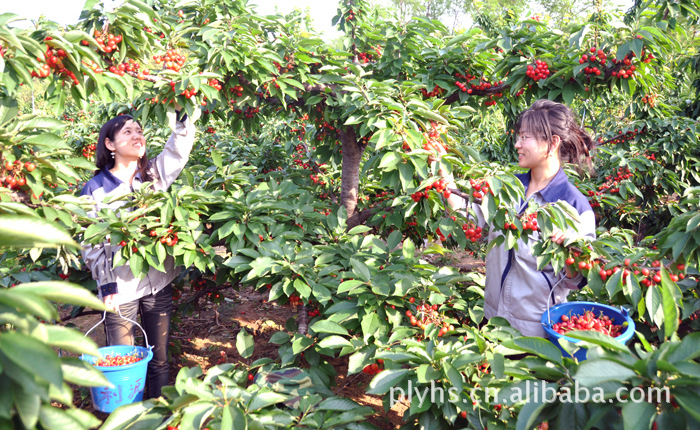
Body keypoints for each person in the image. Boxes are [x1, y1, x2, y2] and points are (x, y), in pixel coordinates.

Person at [438, 99, 597, 337]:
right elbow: (469, 219)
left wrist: (570, 252)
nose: (517, 144)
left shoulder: (574, 206)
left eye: (525, 137)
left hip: (536, 330)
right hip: (492, 319)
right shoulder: (507, 188)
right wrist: (443, 171)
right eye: (519, 137)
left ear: (552, 143)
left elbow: (577, 280)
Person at [80, 107, 197, 398]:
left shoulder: (152, 177)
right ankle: (128, 417)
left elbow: (176, 152)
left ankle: (157, 415)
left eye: (140, 131)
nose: (137, 136)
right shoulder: (94, 190)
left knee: (159, 359)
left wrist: (182, 116)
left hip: (158, 282)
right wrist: (107, 287)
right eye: (128, 131)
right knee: (124, 361)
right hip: (120, 288)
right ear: (109, 144)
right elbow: (91, 246)